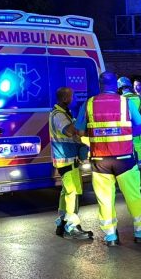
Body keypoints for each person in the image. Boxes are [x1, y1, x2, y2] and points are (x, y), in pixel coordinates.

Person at [76, 71, 141, 246]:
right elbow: (140, 128)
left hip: (100, 160)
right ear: (115, 86)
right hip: (124, 159)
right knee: (133, 196)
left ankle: (111, 236)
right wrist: (123, 132)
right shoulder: (125, 102)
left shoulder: (89, 104)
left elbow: (80, 131)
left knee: (105, 199)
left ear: (100, 85)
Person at [49, 87, 93, 240]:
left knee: (66, 192)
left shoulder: (63, 113)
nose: (73, 99)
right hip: (65, 158)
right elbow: (68, 131)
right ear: (65, 99)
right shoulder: (58, 115)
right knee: (72, 192)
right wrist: (81, 115)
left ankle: (62, 222)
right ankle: (72, 227)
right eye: (71, 97)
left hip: (67, 158)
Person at [117, 77, 141, 170]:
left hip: (125, 128)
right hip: (137, 127)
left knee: (127, 148)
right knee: (138, 147)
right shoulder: (138, 97)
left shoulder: (121, 99)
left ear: (120, 88)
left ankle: (131, 166)